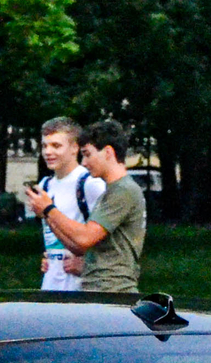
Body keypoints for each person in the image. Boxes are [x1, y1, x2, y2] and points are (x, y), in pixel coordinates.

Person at [20, 120, 145, 294]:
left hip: (113, 292)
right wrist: (48, 218)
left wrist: (49, 210)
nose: (84, 162)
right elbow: (78, 245)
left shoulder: (122, 190)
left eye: (87, 154)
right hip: (95, 289)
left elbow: (85, 237)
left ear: (108, 152)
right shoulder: (112, 190)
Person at [32, 116, 97, 292]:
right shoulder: (45, 185)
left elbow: (107, 233)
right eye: (45, 145)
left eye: (56, 146)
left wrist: (89, 263)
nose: (48, 152)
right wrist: (50, 258)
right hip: (51, 281)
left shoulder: (88, 182)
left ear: (75, 148)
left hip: (79, 285)